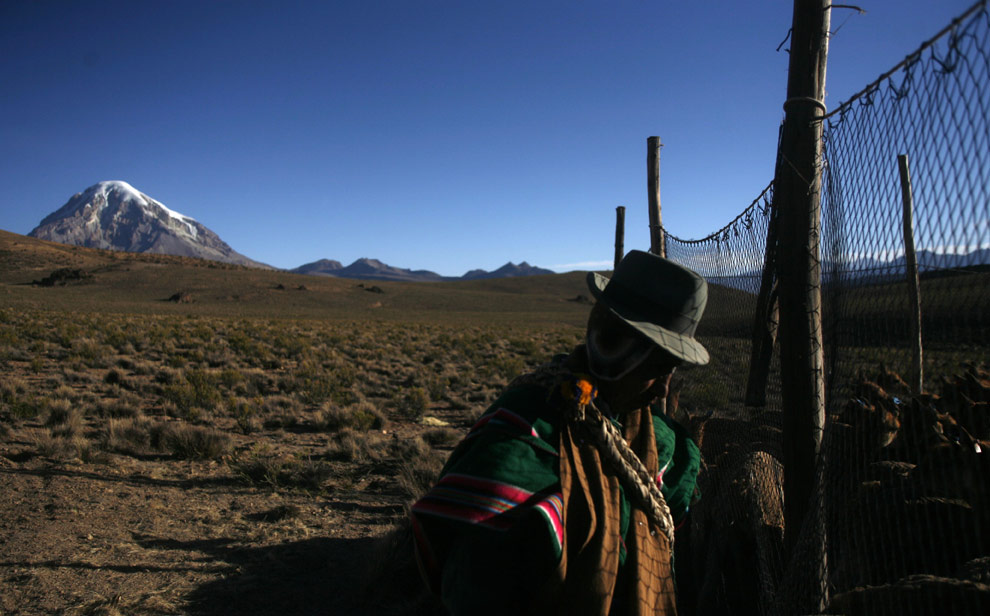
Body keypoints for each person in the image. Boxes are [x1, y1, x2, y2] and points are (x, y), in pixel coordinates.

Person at [410, 250, 708, 616]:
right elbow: (474, 580)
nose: (664, 389)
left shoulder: (661, 440)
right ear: (614, 345)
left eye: (671, 370)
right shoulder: (521, 432)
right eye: (656, 367)